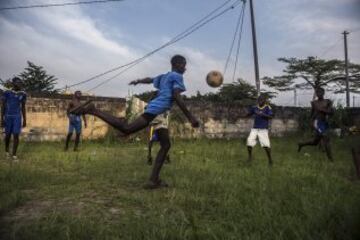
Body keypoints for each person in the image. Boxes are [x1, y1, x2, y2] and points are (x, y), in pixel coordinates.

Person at [71, 55, 200, 189]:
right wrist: (190, 117)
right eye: (183, 64)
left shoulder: (164, 76)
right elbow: (177, 96)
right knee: (127, 129)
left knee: (165, 144)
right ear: (177, 64)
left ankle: (153, 180)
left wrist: (138, 81)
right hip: (156, 110)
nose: (185, 68)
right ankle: (94, 111)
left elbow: (150, 79)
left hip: (156, 110)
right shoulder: (177, 76)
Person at [298, 87, 334, 161]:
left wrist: (322, 110)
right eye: (317, 92)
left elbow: (331, 112)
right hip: (317, 122)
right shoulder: (314, 103)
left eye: (320, 92)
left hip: (324, 123)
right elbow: (312, 114)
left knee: (315, 142)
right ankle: (331, 160)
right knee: (326, 138)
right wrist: (311, 122)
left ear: (323, 93)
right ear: (316, 94)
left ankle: (301, 144)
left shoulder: (328, 102)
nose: (319, 94)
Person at [1, 77, 27, 161]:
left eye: (20, 83)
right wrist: (2, 119)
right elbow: (3, 106)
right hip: (8, 116)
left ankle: (14, 155)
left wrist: (25, 119)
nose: (20, 84)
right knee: (8, 135)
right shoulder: (6, 92)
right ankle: (7, 151)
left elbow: (23, 107)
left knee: (16, 135)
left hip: (17, 117)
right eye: (18, 82)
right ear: (13, 83)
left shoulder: (23, 94)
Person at [246, 95, 273, 166]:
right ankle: (250, 157)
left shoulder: (267, 107)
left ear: (264, 101)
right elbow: (249, 114)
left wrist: (262, 114)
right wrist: (247, 114)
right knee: (249, 142)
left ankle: (270, 160)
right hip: (255, 128)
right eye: (259, 100)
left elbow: (271, 117)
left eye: (262, 100)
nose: (260, 102)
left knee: (266, 146)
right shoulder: (255, 107)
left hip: (263, 129)